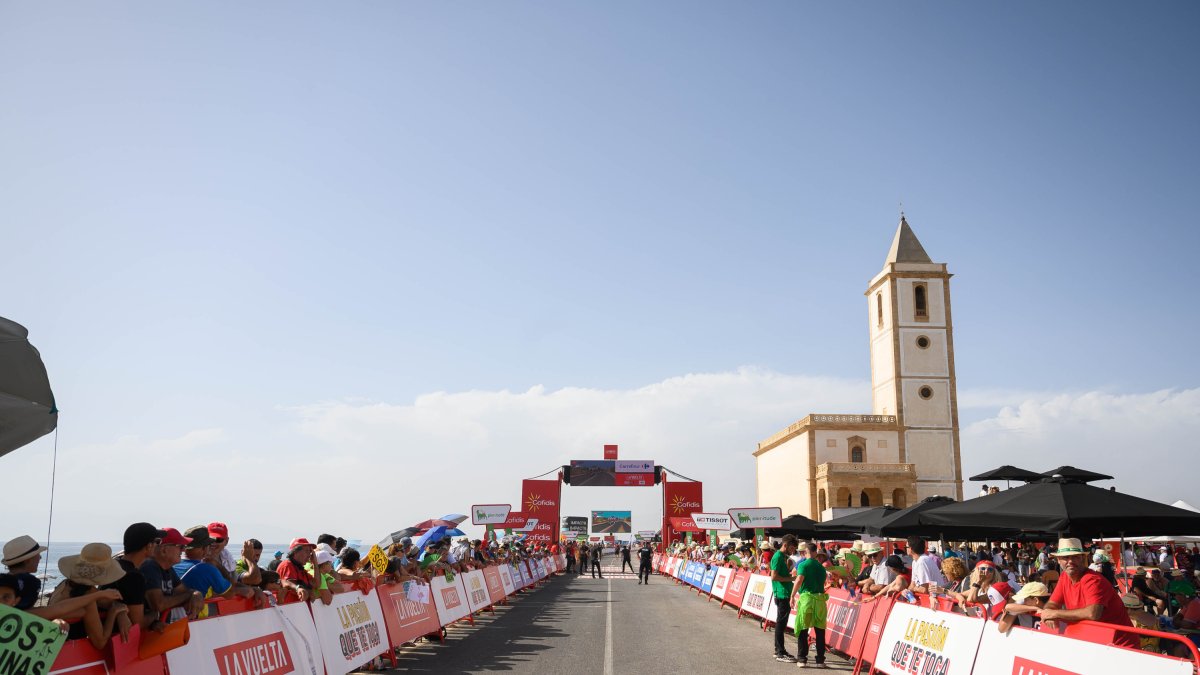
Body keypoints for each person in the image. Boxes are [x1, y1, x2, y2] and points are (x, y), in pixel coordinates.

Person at [1040, 538, 1138, 649]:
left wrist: (1054, 614)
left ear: (1083, 558)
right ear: (1058, 560)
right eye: (1065, 557)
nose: (1070, 561)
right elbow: (1052, 603)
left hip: (1120, 645)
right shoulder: (1064, 577)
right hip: (1097, 641)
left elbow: (1093, 614)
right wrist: (1048, 612)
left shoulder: (1092, 579)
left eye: (1075, 557)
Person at [49, 543, 132, 649]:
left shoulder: (64, 584)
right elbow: (100, 643)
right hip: (67, 651)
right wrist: (113, 613)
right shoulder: (89, 597)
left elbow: (107, 602)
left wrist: (121, 612)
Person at [101, 522, 160, 631]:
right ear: (149, 546)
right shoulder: (134, 577)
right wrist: (155, 614)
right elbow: (138, 623)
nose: (158, 545)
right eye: (157, 542)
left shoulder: (114, 565)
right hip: (116, 640)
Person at [142, 528, 203, 623]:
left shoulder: (167, 568)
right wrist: (189, 595)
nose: (183, 550)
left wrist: (196, 593)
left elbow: (182, 590)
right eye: (180, 546)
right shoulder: (149, 567)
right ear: (164, 550)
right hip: (146, 634)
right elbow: (159, 605)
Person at [792, 542, 828, 668]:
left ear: (806, 551)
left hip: (807, 599)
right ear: (815, 552)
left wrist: (792, 596)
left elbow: (799, 580)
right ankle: (820, 660)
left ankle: (802, 659)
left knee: (803, 628)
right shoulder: (821, 567)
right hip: (820, 601)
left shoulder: (803, 565)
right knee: (820, 631)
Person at [769, 535, 799, 663]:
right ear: (785, 545)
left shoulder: (782, 557)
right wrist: (792, 579)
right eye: (792, 548)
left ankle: (779, 651)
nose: (793, 551)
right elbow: (774, 576)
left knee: (781, 623)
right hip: (782, 594)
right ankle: (780, 652)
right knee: (781, 624)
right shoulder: (777, 556)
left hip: (784, 592)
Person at [2, 534, 48, 610]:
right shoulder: (31, 582)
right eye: (38, 555)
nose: (40, 558)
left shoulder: (3, 579)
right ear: (28, 560)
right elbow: (23, 612)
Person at [277, 538, 318, 602]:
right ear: (295, 551)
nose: (309, 555)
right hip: (289, 609)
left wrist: (315, 563)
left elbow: (316, 584)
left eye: (310, 552)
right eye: (307, 551)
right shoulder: (287, 565)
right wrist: (309, 591)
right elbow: (289, 584)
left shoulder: (300, 568)